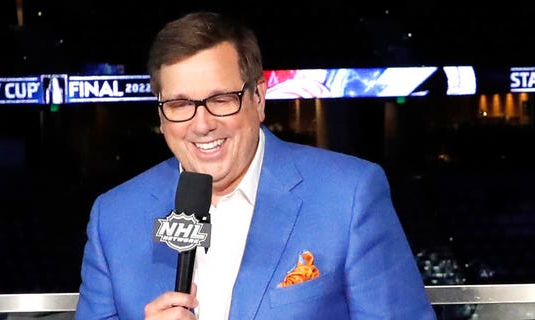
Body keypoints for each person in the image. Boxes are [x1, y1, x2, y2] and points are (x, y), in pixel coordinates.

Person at [75, 11, 437, 320]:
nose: (201, 125)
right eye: (180, 104)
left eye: (220, 99)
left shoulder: (350, 195)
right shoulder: (114, 216)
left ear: (259, 98)